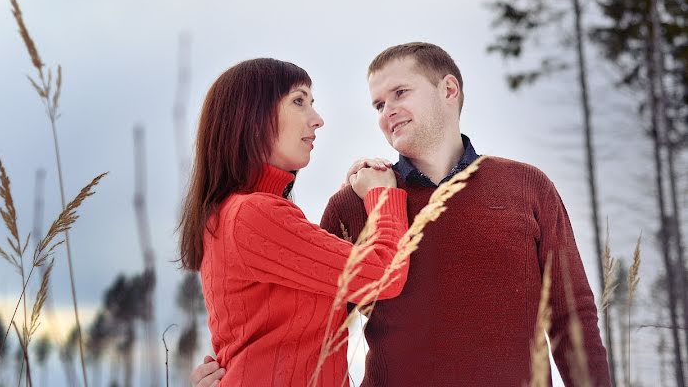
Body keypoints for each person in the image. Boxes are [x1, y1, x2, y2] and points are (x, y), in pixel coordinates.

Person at [192, 43, 612, 387]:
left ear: (449, 90)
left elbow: (572, 313)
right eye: (378, 103)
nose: (386, 110)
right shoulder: (354, 204)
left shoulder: (525, 186)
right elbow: (313, 326)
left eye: (400, 93)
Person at [178, 57, 409, 386]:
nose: (317, 120)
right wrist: (383, 196)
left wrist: (351, 203)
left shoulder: (240, 214)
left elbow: (306, 308)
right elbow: (383, 275)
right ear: (252, 116)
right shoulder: (252, 214)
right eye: (299, 101)